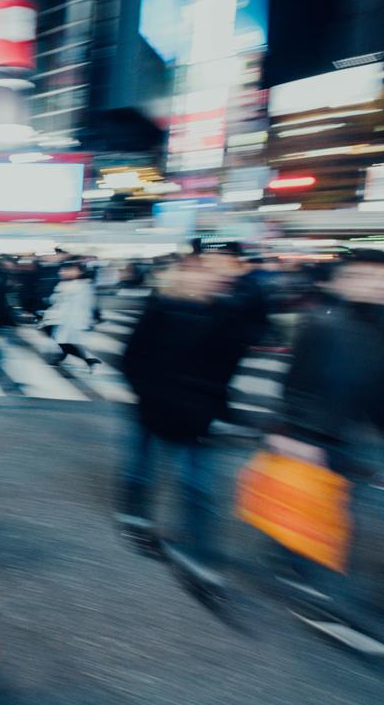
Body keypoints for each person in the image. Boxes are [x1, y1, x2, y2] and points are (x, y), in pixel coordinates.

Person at [273, 249, 384, 654]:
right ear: (344, 282)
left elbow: (369, 387)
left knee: (334, 517)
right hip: (319, 438)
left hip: (353, 436)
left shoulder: (373, 325)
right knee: (328, 517)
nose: (381, 285)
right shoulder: (324, 324)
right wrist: (299, 434)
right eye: (368, 276)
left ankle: (310, 579)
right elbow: (297, 383)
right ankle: (326, 600)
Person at [118, 252, 246, 591]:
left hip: (198, 416)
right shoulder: (160, 309)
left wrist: (219, 409)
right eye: (200, 272)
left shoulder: (226, 315)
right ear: (183, 276)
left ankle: (198, 553)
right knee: (141, 468)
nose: (210, 279)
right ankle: (135, 517)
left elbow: (224, 371)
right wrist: (149, 395)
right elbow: (131, 359)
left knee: (198, 487)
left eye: (213, 274)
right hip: (153, 408)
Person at [43, 262, 100, 371]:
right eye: (63, 270)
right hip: (61, 318)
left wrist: (86, 321)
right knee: (63, 341)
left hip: (71, 319)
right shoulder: (64, 284)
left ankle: (87, 360)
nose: (63, 272)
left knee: (64, 341)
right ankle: (83, 360)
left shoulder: (83, 286)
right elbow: (55, 301)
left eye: (68, 270)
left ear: (79, 272)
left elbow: (87, 305)